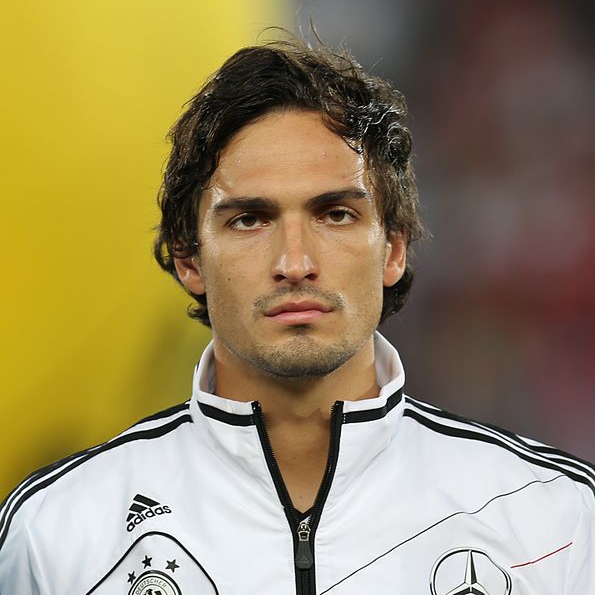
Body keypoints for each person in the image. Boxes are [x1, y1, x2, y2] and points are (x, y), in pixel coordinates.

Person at [0, 37, 593, 595]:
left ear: (393, 249)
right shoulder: (56, 530)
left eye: (335, 214)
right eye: (249, 220)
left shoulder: (557, 519)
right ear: (188, 258)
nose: (294, 264)